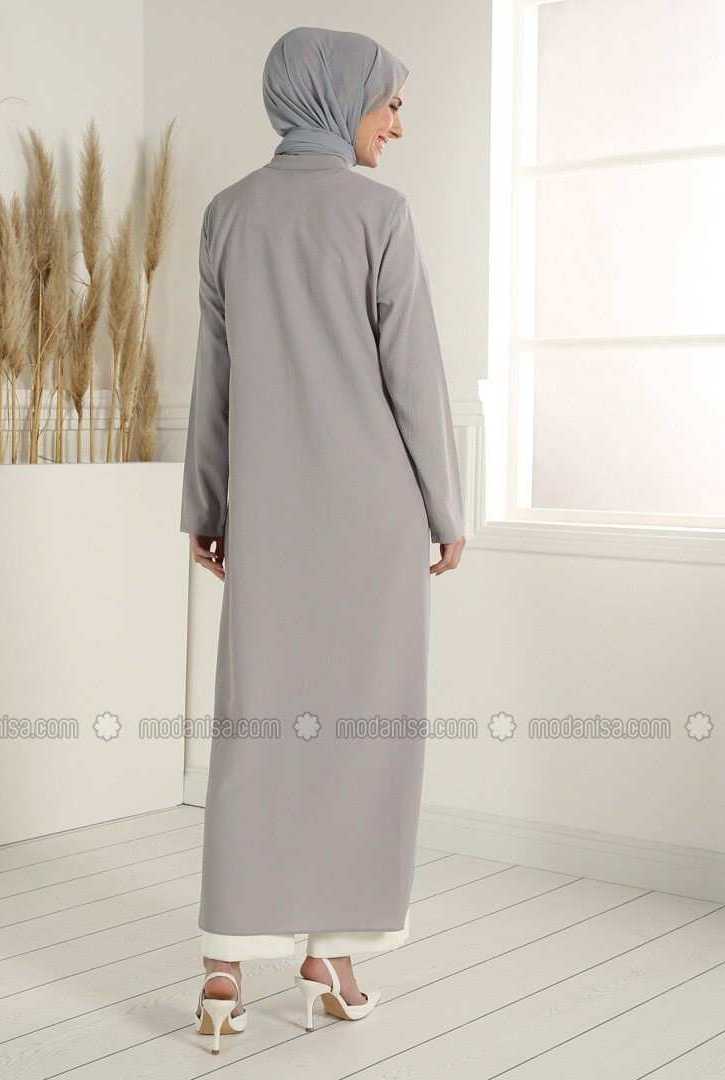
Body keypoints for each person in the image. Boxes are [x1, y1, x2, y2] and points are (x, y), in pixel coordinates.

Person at [180, 25, 465, 1053]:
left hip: (268, 517)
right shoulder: (380, 215)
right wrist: (446, 510)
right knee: (364, 738)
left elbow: (215, 377)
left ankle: (225, 966)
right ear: (338, 97)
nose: (397, 124)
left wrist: (206, 505)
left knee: (255, 729)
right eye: (389, 102)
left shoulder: (227, 214)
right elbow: (414, 379)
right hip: (374, 523)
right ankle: (331, 957)